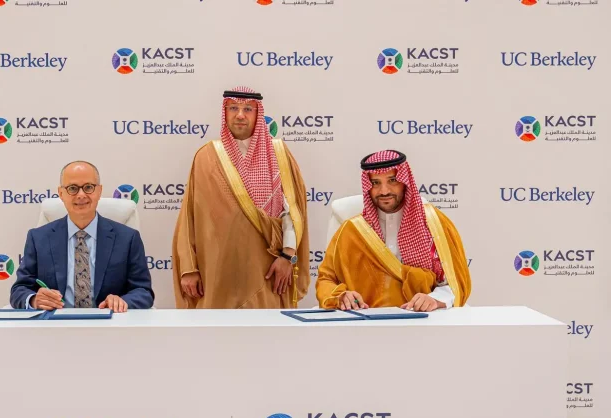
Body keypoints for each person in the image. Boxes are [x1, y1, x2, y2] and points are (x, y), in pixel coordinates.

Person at [172, 86, 310, 308]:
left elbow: (292, 213)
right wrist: (189, 268)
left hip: (267, 271)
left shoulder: (279, 153)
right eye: (233, 108)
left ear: (258, 113)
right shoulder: (206, 156)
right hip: (216, 273)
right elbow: (189, 218)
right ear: (224, 112)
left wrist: (288, 257)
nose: (240, 115)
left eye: (248, 109)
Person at [316, 150, 471, 312]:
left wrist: (435, 299)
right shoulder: (351, 230)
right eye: (375, 183)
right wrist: (341, 296)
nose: (384, 191)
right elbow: (326, 279)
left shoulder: (434, 224)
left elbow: (456, 282)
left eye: (392, 180)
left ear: (405, 182)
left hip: (421, 319)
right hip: (365, 319)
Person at [10, 161, 154, 312]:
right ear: (61, 193)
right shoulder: (38, 238)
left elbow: (143, 291)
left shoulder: (128, 238)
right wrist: (34, 300)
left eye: (88, 187)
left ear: (99, 191)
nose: (81, 195)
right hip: (56, 322)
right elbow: (19, 289)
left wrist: (122, 301)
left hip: (108, 321)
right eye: (72, 188)